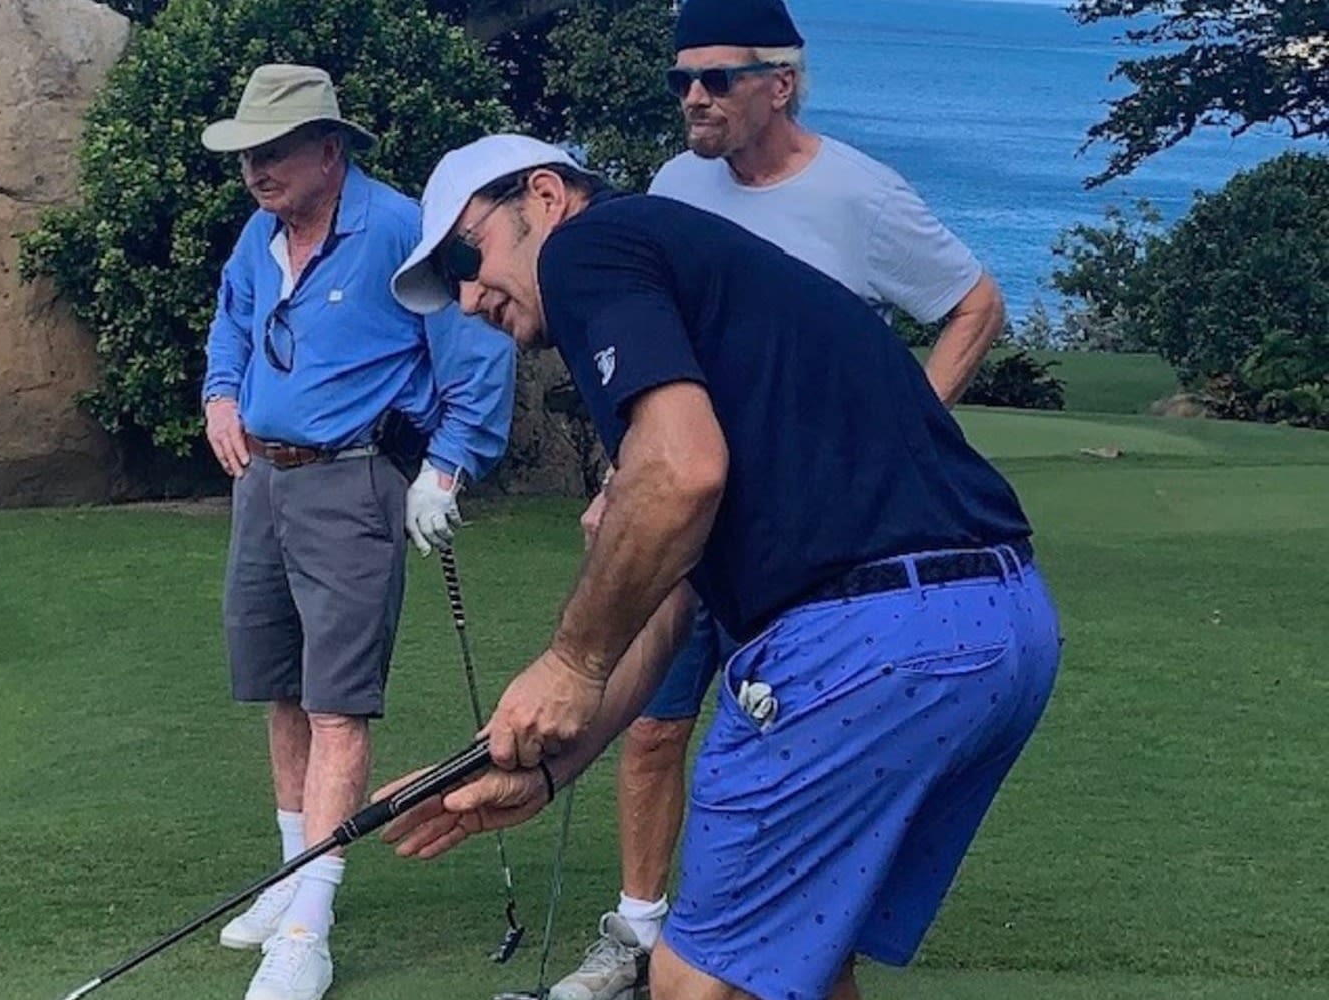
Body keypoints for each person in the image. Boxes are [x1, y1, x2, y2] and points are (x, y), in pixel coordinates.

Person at [381, 134, 1062, 1000]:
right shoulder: (697, 275)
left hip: (863, 637)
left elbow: (677, 474)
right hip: (1002, 630)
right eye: (447, 285)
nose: (469, 298)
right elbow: (676, 575)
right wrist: (557, 761)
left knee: (698, 982)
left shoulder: (593, 249)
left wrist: (569, 661)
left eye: (466, 258)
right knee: (802, 965)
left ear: (545, 198)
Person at [554, 1, 1010, 994]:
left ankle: (729, 950)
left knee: (783, 848)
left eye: (715, 78)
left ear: (780, 83)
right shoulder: (673, 187)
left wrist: (897, 432)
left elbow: (975, 304)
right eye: (679, 80)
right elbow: (658, 358)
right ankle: (635, 929)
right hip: (692, 520)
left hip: (815, 549)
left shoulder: (859, 192)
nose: (692, 98)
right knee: (654, 723)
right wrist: (624, 479)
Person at [198, 65, 514, 1000]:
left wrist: (447, 471)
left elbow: (478, 353)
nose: (258, 169)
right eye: (250, 153)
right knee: (281, 689)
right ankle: (288, 878)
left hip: (356, 481)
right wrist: (222, 394)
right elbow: (233, 325)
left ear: (330, 151)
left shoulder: (401, 231)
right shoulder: (260, 234)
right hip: (265, 481)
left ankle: (309, 926)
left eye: (276, 151)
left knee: (338, 702)